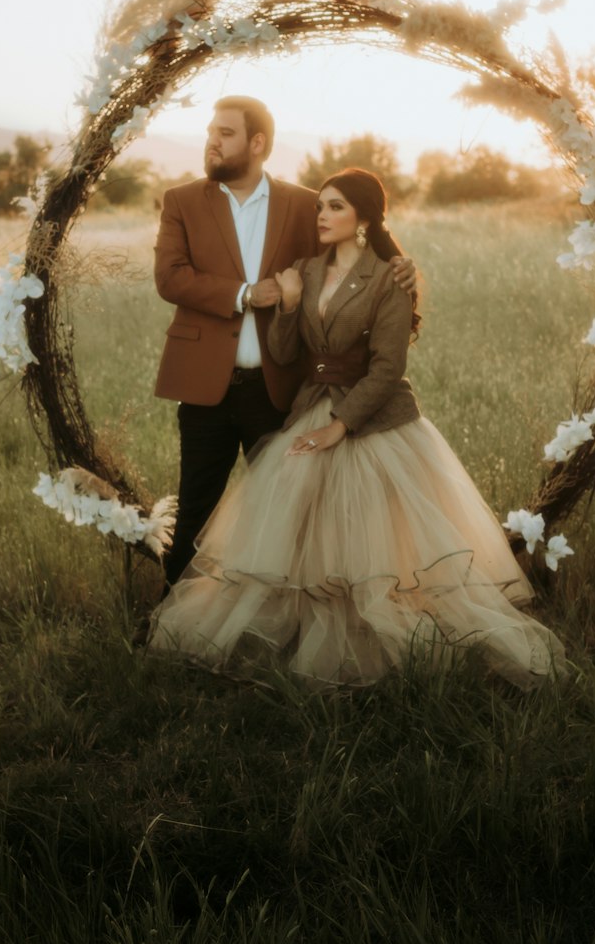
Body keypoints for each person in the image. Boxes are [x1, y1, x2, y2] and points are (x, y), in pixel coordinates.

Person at [148, 167, 565, 690]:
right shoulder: (304, 269)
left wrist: (340, 426)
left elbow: (389, 368)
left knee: (371, 539)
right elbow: (282, 351)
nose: (321, 216)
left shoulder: (389, 277)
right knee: (301, 531)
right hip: (310, 406)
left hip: (373, 420)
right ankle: (301, 632)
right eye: (320, 206)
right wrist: (291, 303)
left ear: (363, 218)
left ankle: (373, 639)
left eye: (335, 207)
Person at [153, 98, 415, 588]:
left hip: (280, 388)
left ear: (258, 144)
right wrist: (245, 294)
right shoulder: (181, 201)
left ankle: (282, 618)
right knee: (195, 510)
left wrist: (399, 263)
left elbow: (350, 250)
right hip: (204, 385)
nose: (212, 140)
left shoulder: (303, 203)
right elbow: (169, 278)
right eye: (210, 130)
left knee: (286, 516)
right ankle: (170, 617)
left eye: (226, 132)